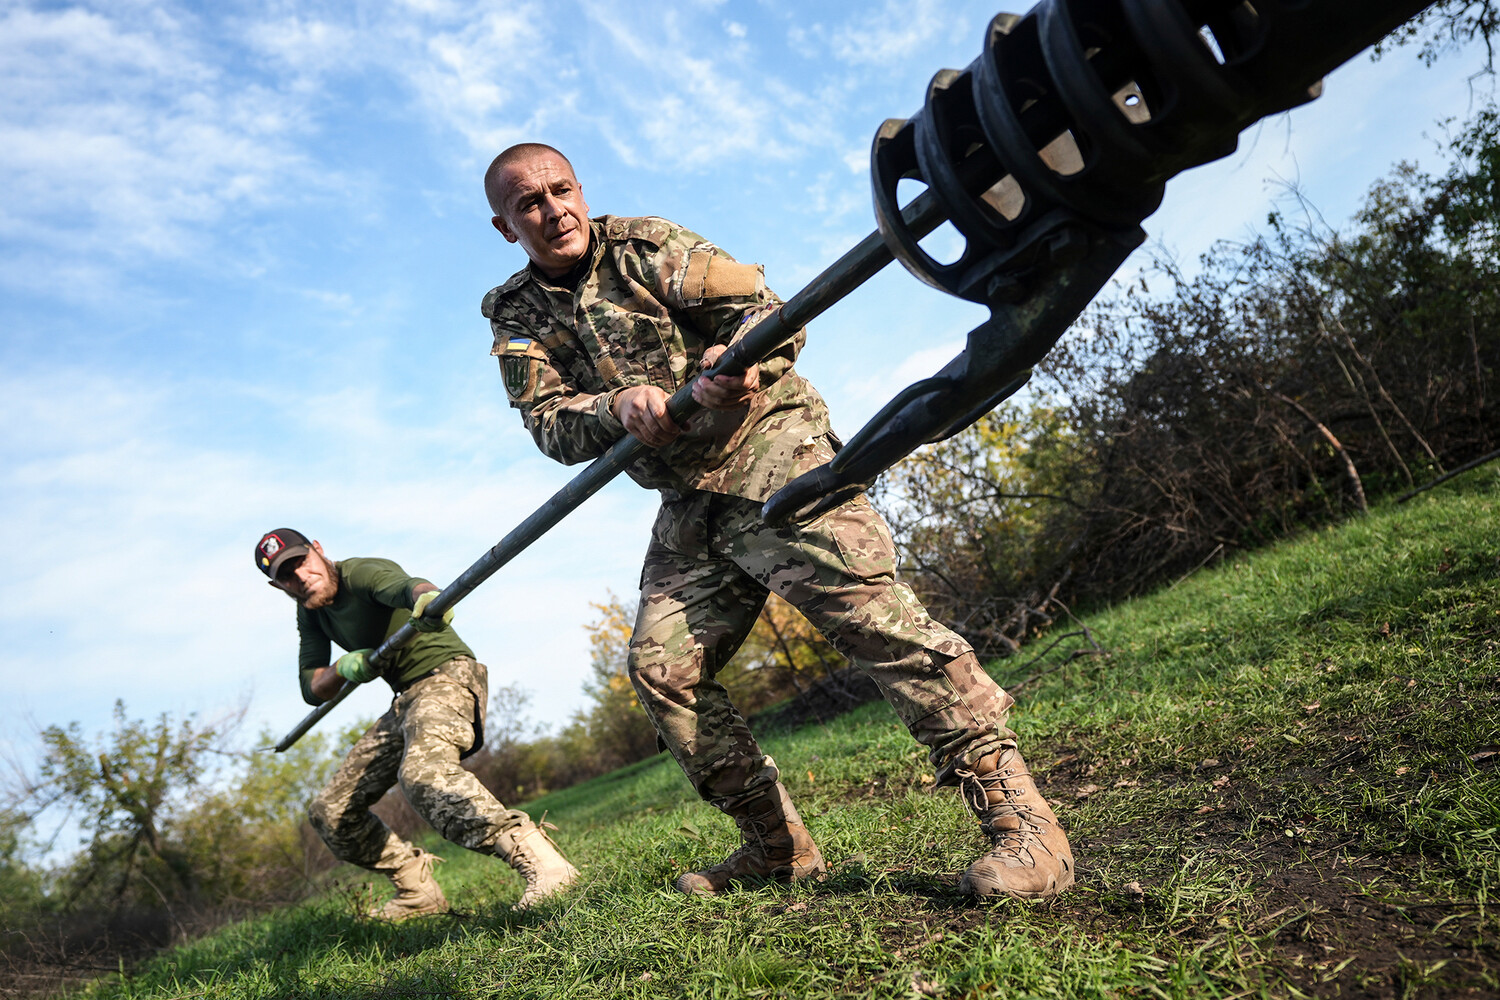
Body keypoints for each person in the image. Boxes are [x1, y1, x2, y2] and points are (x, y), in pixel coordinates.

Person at [478, 143, 1074, 900]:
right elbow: (549, 425)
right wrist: (611, 407)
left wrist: (741, 362)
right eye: (529, 203)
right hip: (690, 502)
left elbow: (767, 313)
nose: (553, 209)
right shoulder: (515, 316)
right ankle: (777, 846)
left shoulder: (647, 247)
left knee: (877, 624)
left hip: (774, 452)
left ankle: (1026, 829)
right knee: (664, 672)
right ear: (506, 227)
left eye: (561, 189)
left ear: (581, 189)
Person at [254, 527, 578, 917]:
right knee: (331, 811)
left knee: (423, 773)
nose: (301, 577)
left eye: (301, 562)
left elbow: (407, 587)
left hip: (448, 676)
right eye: (286, 575)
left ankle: (546, 865)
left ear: (318, 551)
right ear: (279, 586)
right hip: (404, 700)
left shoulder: (361, 572)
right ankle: (417, 891)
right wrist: (343, 666)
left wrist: (428, 597)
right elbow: (312, 685)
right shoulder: (310, 612)